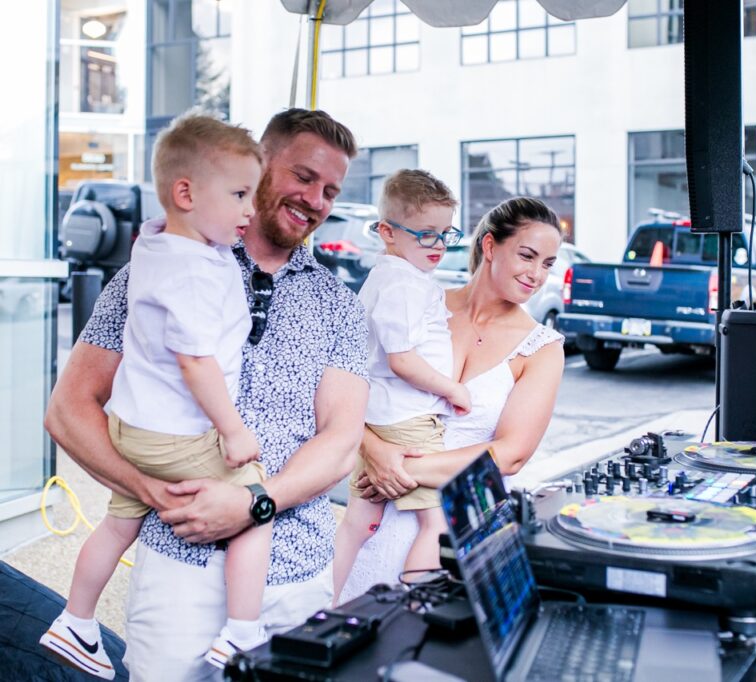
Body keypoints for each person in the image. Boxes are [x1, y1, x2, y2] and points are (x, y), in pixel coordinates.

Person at [44, 108, 369, 681]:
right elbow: (68, 410)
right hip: (177, 562)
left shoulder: (339, 301)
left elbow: (342, 440)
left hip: (296, 575)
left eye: (330, 190)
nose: (316, 199)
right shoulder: (163, 267)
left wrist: (252, 502)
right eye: (303, 176)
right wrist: (150, 491)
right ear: (260, 165)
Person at [40, 113, 270, 677]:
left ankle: (77, 621)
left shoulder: (158, 243)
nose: (250, 210)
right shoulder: (192, 273)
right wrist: (234, 431)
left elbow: (172, 230)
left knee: (121, 520)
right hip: (175, 433)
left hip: (133, 428)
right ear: (185, 193)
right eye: (240, 194)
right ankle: (242, 632)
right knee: (255, 510)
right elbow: (196, 362)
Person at [338, 197, 566, 600]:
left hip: (459, 529)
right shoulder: (418, 302)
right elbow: (348, 389)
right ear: (491, 246)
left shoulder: (543, 348)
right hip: (376, 517)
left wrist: (397, 467)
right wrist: (372, 449)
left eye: (547, 264)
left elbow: (510, 455)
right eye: (527, 256)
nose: (536, 275)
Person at [332, 169, 469, 605]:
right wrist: (451, 389)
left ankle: (326, 602)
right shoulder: (404, 283)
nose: (439, 245)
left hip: (381, 415)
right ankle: (418, 605)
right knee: (437, 523)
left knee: (358, 522)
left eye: (446, 233)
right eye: (426, 234)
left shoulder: (386, 277)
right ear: (387, 232)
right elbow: (403, 359)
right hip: (407, 419)